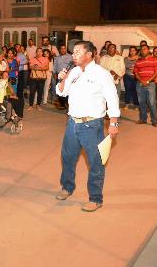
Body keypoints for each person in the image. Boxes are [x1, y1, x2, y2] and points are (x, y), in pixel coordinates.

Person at [55, 41, 120, 212]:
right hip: (72, 123)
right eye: (73, 52)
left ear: (89, 54)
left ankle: (95, 198)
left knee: (95, 162)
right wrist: (61, 79)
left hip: (91, 125)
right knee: (67, 158)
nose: (73, 55)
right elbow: (62, 92)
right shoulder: (74, 72)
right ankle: (67, 187)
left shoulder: (101, 74)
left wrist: (113, 123)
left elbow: (113, 99)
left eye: (77, 52)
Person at [133, 44, 157, 126]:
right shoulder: (138, 61)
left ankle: (154, 121)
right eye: (141, 49)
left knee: (151, 103)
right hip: (140, 84)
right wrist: (142, 81)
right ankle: (143, 119)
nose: (142, 50)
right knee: (141, 103)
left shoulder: (154, 59)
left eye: (144, 49)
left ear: (148, 50)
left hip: (150, 84)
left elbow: (156, 72)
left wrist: (147, 81)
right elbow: (136, 73)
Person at [53, 45, 73, 109]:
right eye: (62, 49)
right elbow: (55, 67)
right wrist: (55, 75)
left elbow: (73, 65)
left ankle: (67, 103)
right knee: (60, 89)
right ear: (59, 50)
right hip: (59, 75)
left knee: (68, 89)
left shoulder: (70, 57)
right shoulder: (57, 58)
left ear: (66, 49)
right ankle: (62, 104)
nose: (63, 50)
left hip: (68, 75)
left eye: (64, 49)